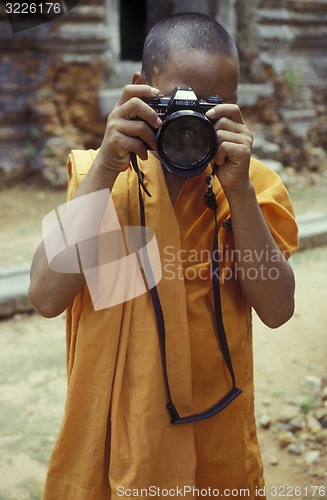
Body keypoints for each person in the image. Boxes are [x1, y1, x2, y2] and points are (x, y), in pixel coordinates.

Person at [29, 12, 298, 500]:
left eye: (215, 107)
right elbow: (46, 296)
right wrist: (108, 167)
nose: (193, 126)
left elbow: (278, 310)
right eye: (179, 103)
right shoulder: (104, 180)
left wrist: (237, 191)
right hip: (116, 445)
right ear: (141, 88)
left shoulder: (250, 185)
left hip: (216, 441)